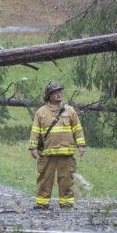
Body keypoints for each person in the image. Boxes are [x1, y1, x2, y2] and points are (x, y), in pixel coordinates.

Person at [28, 81, 86, 210]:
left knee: (66, 179)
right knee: (45, 179)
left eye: (59, 92)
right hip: (47, 153)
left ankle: (66, 204)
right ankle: (42, 204)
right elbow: (35, 131)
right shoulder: (41, 112)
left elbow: (78, 129)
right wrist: (33, 148)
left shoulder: (70, 111)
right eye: (55, 92)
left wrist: (81, 145)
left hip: (66, 154)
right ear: (49, 96)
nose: (58, 94)